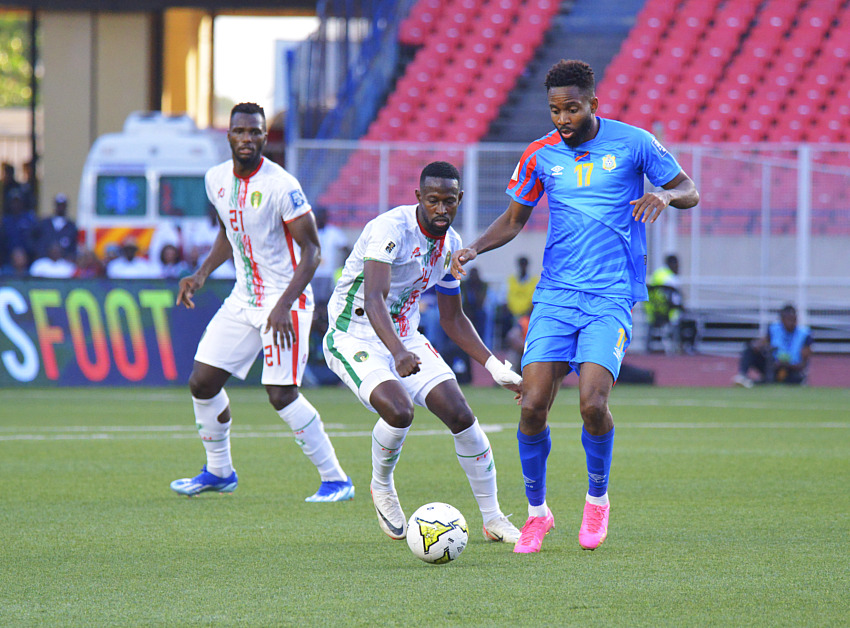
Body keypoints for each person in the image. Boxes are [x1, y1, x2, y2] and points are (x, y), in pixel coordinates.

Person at [451, 60, 699, 553]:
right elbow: (513, 219)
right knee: (533, 406)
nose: (562, 118)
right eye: (555, 109)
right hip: (556, 296)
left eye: (572, 108)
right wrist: (475, 248)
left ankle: (597, 499)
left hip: (610, 296)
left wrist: (665, 198)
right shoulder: (539, 154)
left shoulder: (634, 143)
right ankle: (538, 514)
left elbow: (689, 189)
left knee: (592, 403)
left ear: (594, 104)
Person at [324, 161, 523, 545]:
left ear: (459, 200)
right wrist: (397, 352)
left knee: (462, 415)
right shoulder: (390, 230)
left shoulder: (449, 246)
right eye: (433, 200)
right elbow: (374, 299)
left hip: (404, 337)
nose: (441, 209)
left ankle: (493, 517)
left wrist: (494, 365)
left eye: (449, 201)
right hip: (356, 335)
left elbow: (452, 318)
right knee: (399, 410)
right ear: (418, 198)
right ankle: (381, 486)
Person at [170, 102, 353, 502]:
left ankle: (336, 479)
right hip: (243, 297)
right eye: (240, 131)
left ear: (265, 137)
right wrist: (201, 274)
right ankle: (219, 471)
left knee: (280, 393)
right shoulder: (215, 179)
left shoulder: (281, 185)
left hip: (286, 300)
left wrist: (285, 304)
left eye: (255, 132)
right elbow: (227, 231)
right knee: (202, 382)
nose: (247, 139)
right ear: (229, 135)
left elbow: (313, 252)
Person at [733, 304, 812, 388]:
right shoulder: (773, 329)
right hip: (774, 365)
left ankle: (759, 382)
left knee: (792, 379)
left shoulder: (804, 334)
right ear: (781, 319)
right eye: (788, 319)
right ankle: (742, 376)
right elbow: (760, 343)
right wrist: (756, 345)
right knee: (749, 349)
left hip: (792, 368)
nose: (790, 322)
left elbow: (803, 364)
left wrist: (786, 364)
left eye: (793, 319)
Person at [33, 194, 78, 262]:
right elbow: (33, 238)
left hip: (63, 262)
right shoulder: (44, 223)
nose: (60, 208)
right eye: (58, 205)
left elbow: (74, 245)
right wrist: (39, 252)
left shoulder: (71, 226)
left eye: (63, 205)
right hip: (45, 261)